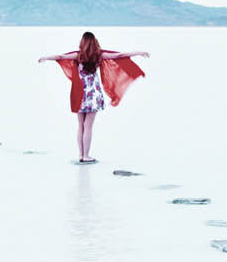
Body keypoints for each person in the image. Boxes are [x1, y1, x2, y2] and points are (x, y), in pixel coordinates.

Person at [38, 31, 149, 163]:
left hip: (79, 93)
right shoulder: (99, 55)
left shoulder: (78, 56)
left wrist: (46, 57)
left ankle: (81, 154)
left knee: (81, 125)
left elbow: (61, 56)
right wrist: (138, 52)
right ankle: (86, 155)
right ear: (94, 42)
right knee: (88, 126)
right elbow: (120, 55)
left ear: (82, 42)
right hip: (93, 93)